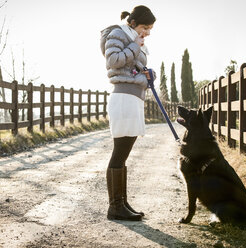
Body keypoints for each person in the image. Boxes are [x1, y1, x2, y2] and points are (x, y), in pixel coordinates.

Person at [100, 5, 156, 221]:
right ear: (133, 23)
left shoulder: (133, 38)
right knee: (119, 153)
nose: (147, 33)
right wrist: (134, 45)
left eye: (150, 29)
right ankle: (115, 207)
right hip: (123, 98)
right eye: (145, 27)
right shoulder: (118, 34)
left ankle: (121, 203)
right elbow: (113, 61)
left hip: (132, 98)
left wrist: (147, 74)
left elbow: (131, 68)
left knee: (124, 154)